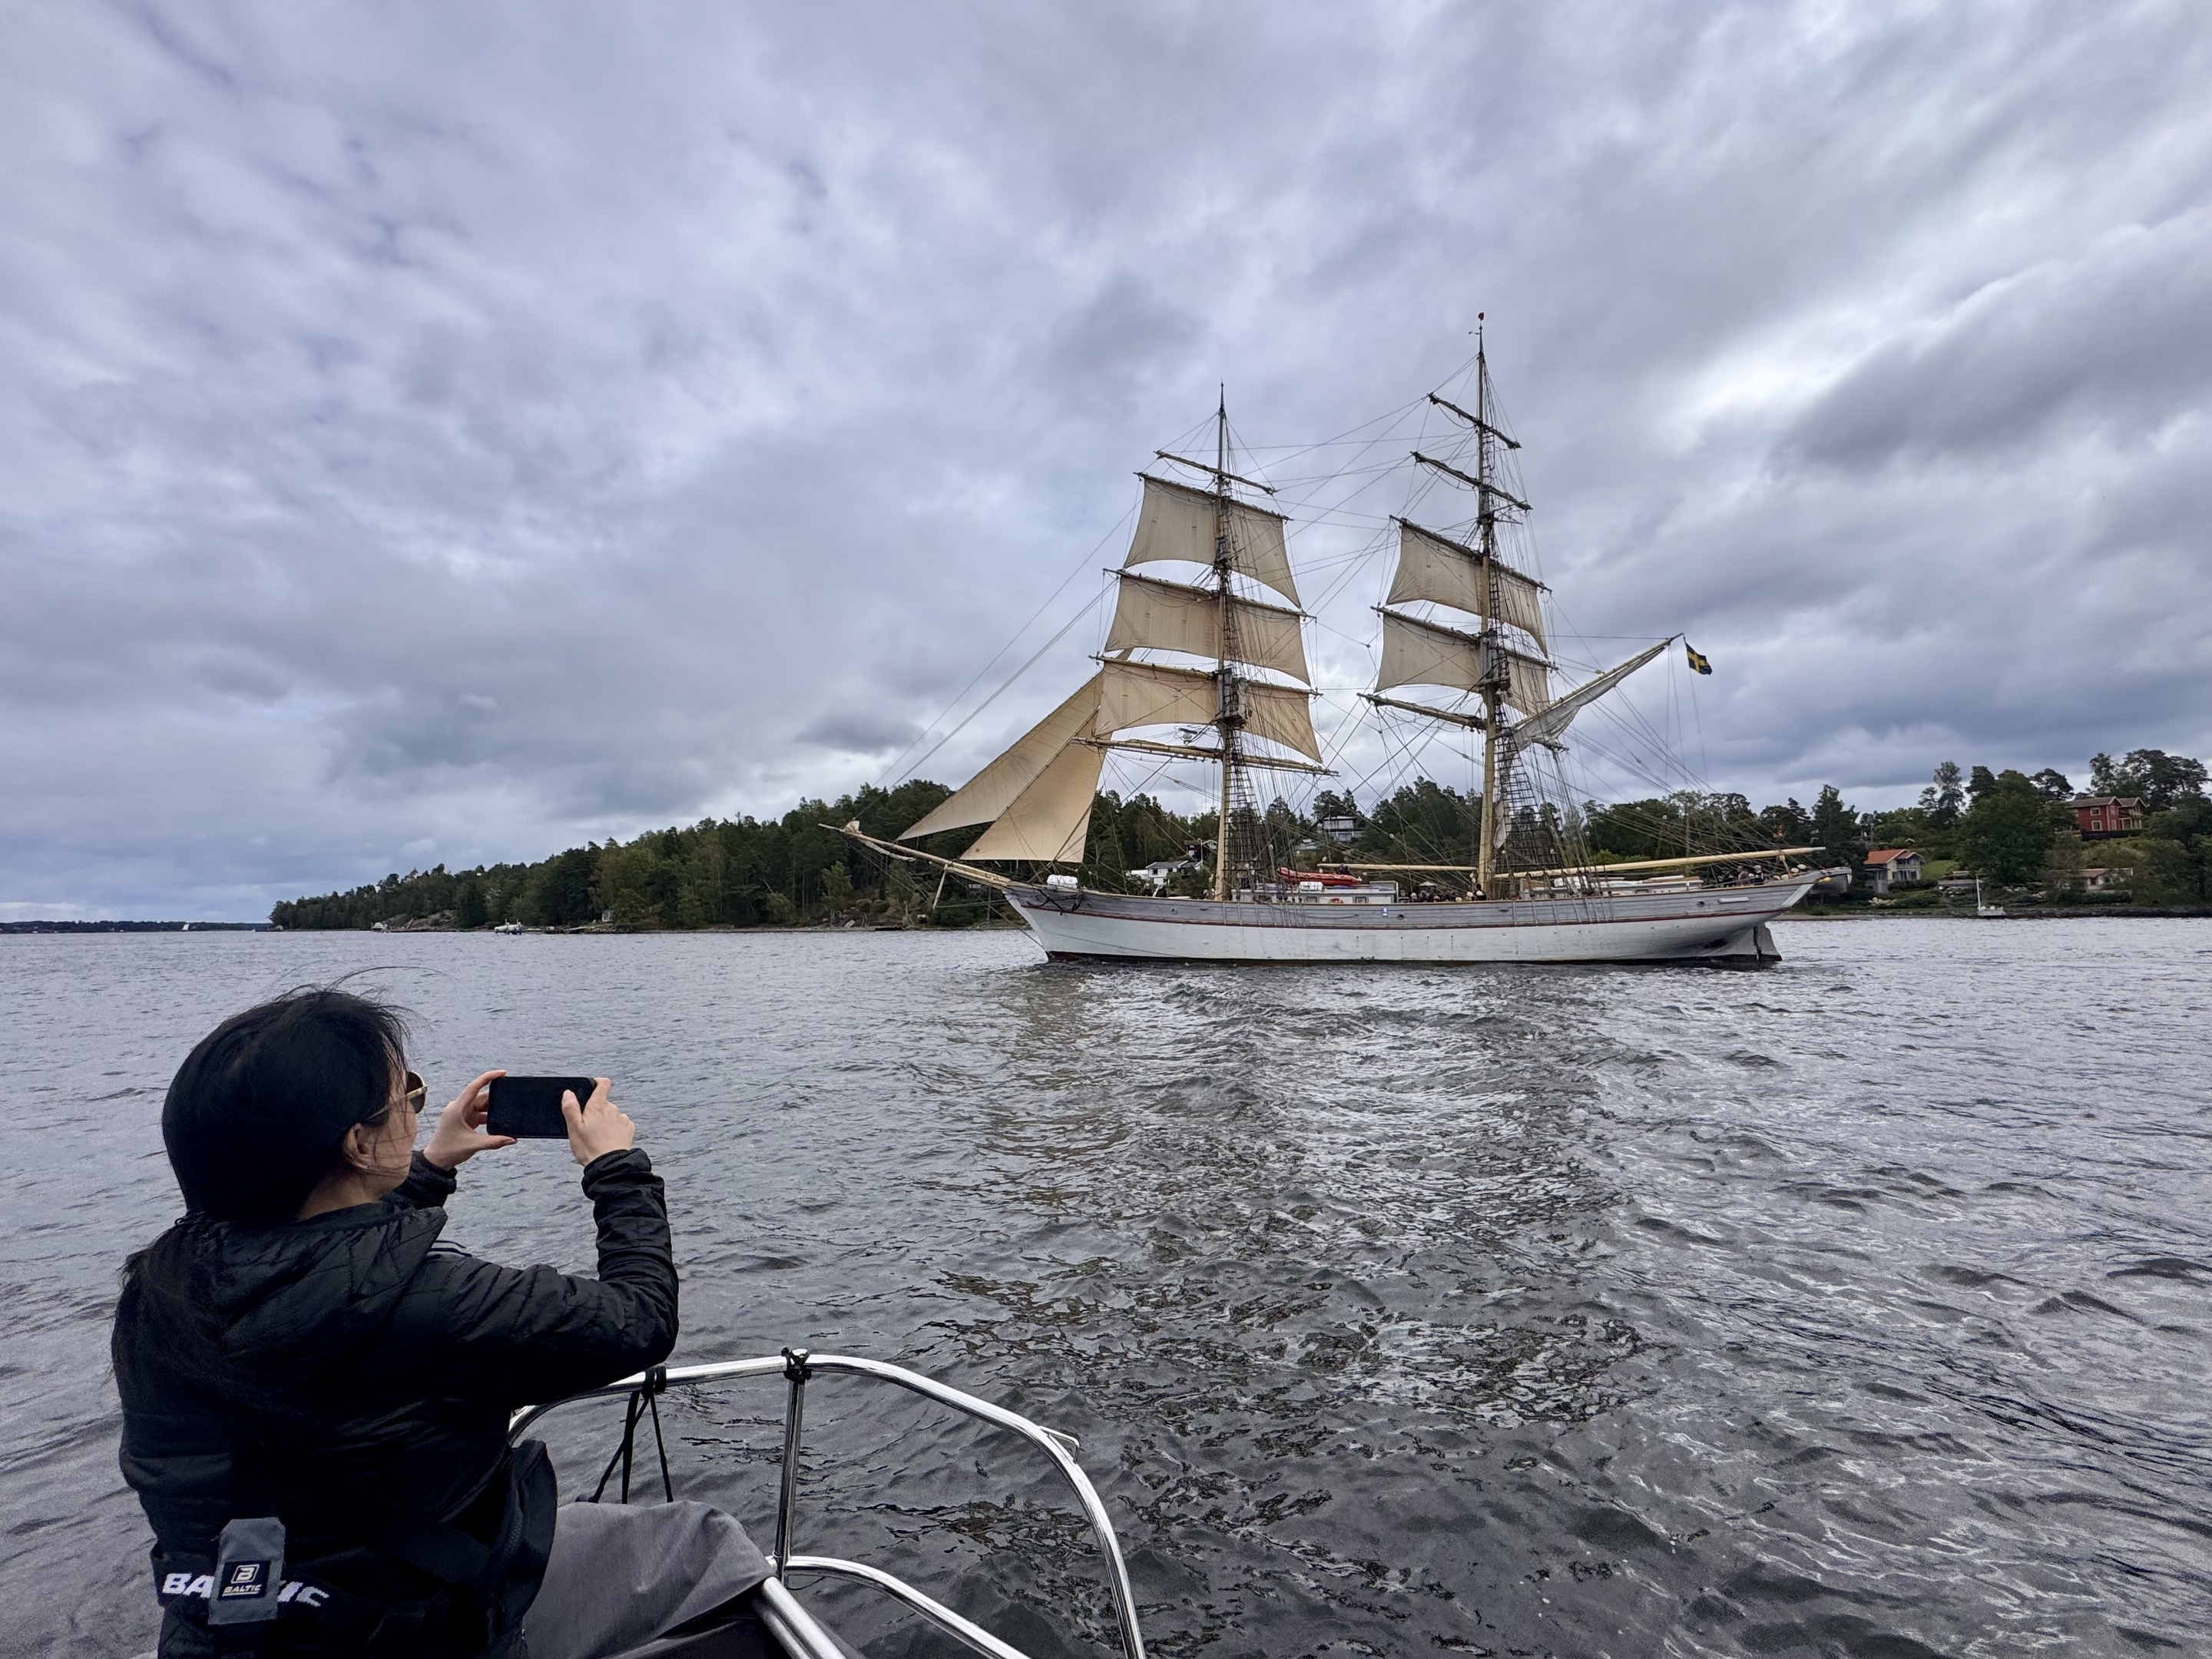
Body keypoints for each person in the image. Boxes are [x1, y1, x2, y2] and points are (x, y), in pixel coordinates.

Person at [114, 987, 770, 1657]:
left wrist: (427, 1166)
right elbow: (641, 1321)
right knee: (698, 1539)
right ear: (358, 1144)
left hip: (231, 1634)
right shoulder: (437, 1306)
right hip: (423, 1637)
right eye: (409, 1097)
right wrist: (615, 1170)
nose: (416, 1108)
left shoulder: (156, 1298)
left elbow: (317, 1267)